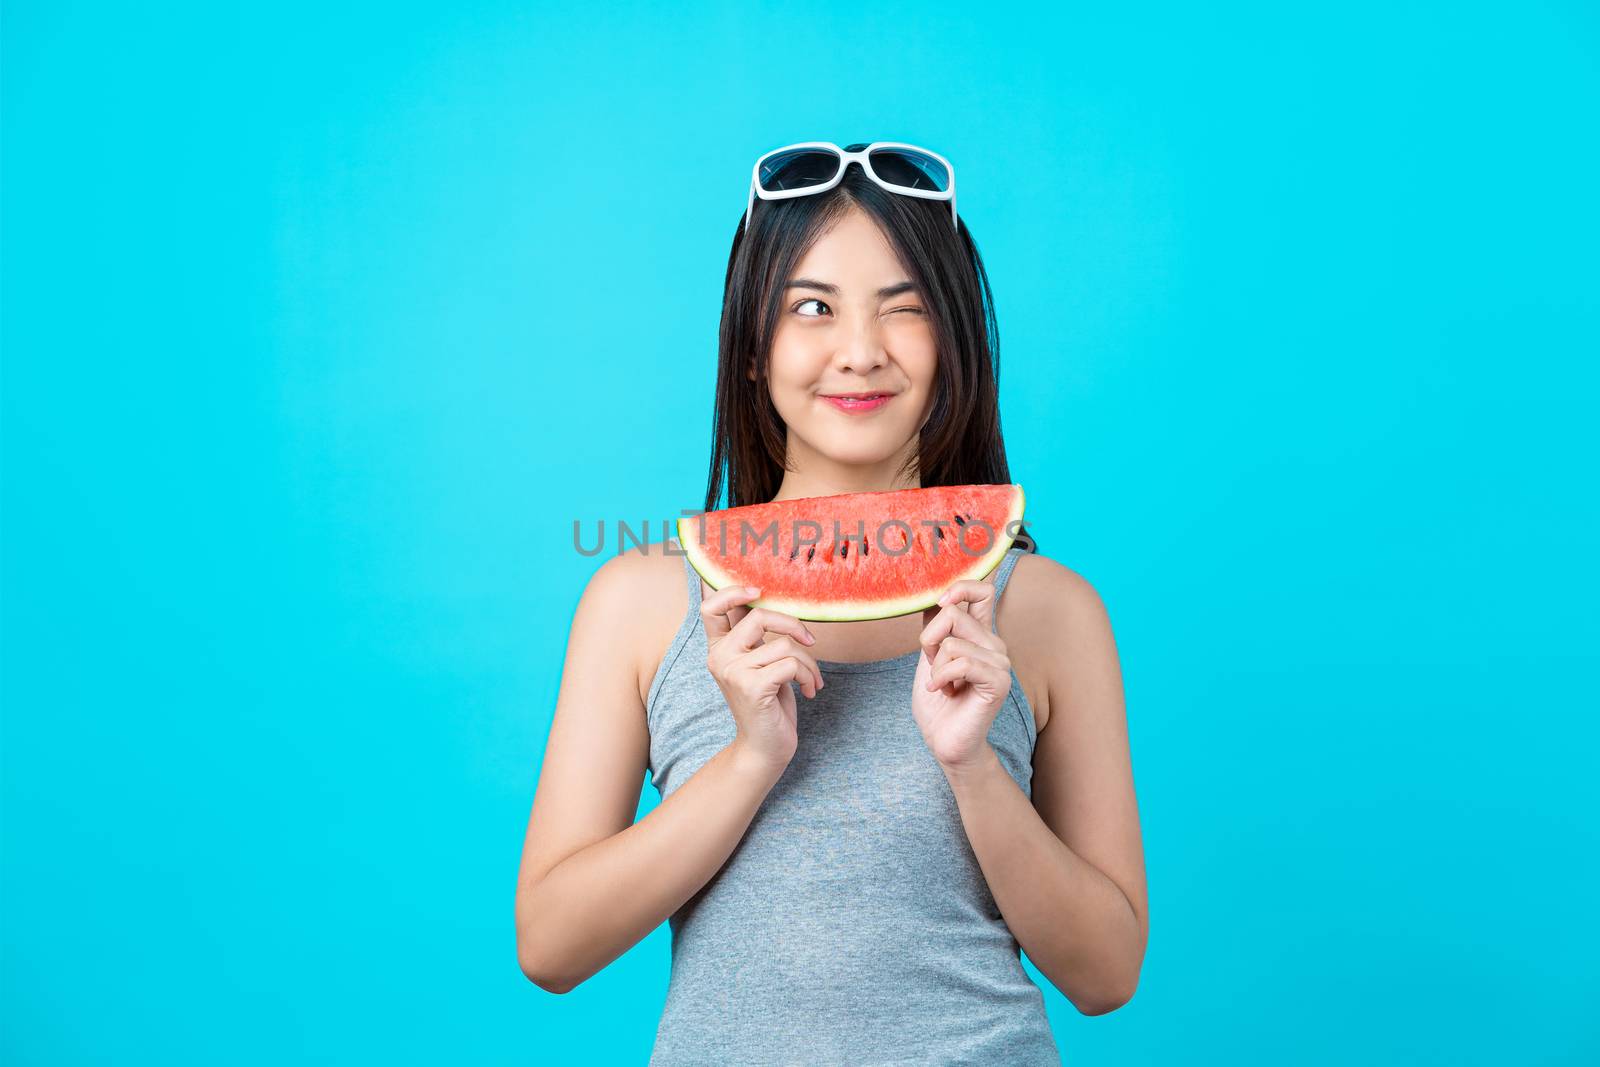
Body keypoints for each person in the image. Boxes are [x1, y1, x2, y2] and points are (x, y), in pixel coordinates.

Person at [515, 141, 1148, 1064]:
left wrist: (973, 768)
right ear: (750, 351)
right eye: (811, 308)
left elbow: (1106, 973)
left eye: (908, 309)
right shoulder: (639, 603)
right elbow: (551, 945)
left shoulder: (1049, 611)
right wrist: (750, 759)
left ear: (955, 347)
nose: (860, 352)